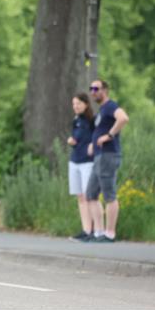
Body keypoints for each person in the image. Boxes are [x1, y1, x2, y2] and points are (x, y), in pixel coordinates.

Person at [85, 79, 130, 243]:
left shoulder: (110, 106)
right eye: (91, 89)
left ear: (105, 90)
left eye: (96, 88)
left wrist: (109, 135)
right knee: (91, 194)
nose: (93, 92)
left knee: (109, 195)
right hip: (99, 156)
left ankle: (110, 234)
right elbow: (99, 130)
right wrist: (92, 143)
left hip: (108, 155)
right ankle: (98, 232)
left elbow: (123, 118)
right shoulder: (102, 110)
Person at [67, 92, 97, 242]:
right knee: (80, 196)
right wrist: (71, 141)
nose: (75, 106)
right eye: (73, 104)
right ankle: (85, 230)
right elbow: (76, 138)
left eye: (78, 103)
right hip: (75, 161)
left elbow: (97, 136)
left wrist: (93, 144)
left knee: (88, 195)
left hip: (87, 162)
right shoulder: (76, 120)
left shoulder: (92, 119)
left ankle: (94, 230)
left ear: (86, 104)